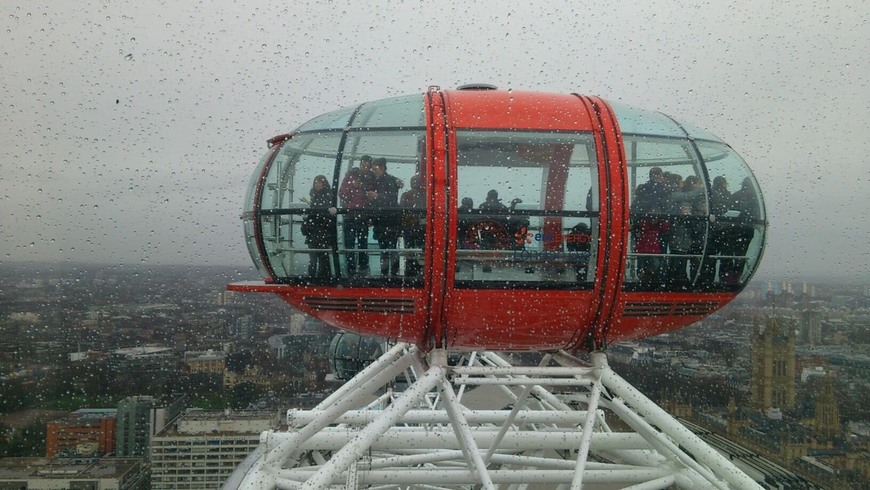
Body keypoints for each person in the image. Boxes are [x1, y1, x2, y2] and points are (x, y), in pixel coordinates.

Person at [367, 158, 402, 277]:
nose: (373, 171)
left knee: (389, 248)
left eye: (375, 169)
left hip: (387, 220)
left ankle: (388, 273)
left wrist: (377, 196)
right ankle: (390, 273)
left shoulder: (389, 181)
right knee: (386, 248)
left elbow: (391, 199)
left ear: (382, 168)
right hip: (384, 221)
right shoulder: (383, 181)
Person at [339, 159, 371, 276]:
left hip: (362, 216)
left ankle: (362, 268)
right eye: (363, 165)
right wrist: (352, 186)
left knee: (362, 243)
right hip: (351, 215)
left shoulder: (370, 179)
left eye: (367, 166)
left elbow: (370, 198)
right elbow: (342, 194)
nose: (365, 168)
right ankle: (351, 269)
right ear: (360, 165)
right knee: (350, 243)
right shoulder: (350, 177)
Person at [302, 175, 336, 279]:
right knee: (319, 257)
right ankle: (322, 277)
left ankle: (314, 278)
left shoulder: (324, 197)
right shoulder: (324, 196)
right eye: (315, 182)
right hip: (318, 232)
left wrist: (307, 222)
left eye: (319, 182)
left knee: (317, 258)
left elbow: (319, 213)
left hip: (318, 232)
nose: (317, 184)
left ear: (324, 183)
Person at [400, 174, 426, 276]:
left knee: (415, 248)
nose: (415, 183)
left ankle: (414, 268)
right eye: (413, 181)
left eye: (416, 181)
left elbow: (402, 210)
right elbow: (402, 210)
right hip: (411, 226)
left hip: (417, 226)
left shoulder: (423, 195)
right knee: (412, 248)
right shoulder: (407, 195)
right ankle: (412, 268)